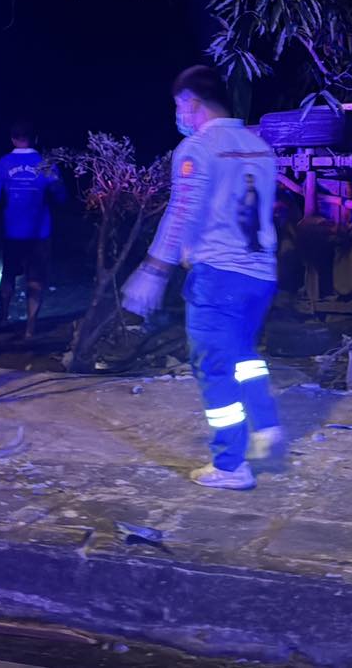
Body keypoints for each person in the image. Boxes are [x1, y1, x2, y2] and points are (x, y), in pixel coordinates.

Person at [122, 65, 280, 490]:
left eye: (179, 106)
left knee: (213, 366)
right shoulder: (259, 146)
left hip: (218, 276)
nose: (179, 115)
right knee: (243, 353)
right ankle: (266, 424)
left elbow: (182, 213)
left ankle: (230, 465)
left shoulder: (197, 148)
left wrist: (154, 270)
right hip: (261, 274)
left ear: (191, 102)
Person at [0, 120, 65, 339]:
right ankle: (30, 327)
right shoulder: (45, 164)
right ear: (35, 138)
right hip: (40, 232)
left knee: (8, 274)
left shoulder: (2, 163)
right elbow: (60, 194)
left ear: (12, 139)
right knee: (35, 279)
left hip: (12, 231)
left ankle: (3, 316)